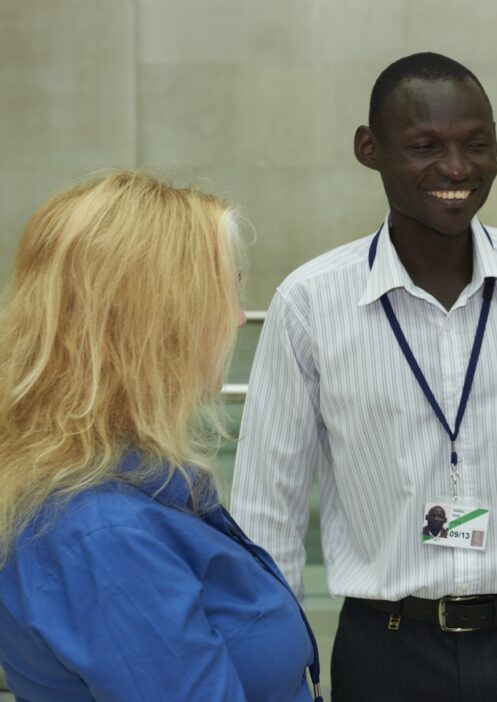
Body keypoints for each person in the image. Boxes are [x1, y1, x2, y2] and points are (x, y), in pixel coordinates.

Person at [231, 52, 497, 701]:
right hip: (388, 653)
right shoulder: (309, 304)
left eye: (477, 145)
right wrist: (275, 679)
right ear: (368, 149)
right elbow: (268, 516)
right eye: (425, 146)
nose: (457, 169)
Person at [0, 171, 322, 701]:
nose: (240, 317)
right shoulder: (103, 536)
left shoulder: (127, 477)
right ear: (154, 319)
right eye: (224, 291)